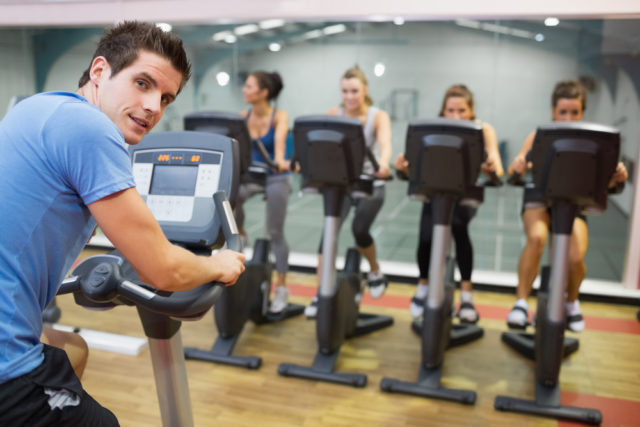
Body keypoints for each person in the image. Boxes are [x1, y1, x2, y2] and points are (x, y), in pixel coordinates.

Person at [0, 21, 245, 426]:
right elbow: (161, 269)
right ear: (99, 72)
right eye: (143, 83)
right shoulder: (90, 128)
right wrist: (219, 264)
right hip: (6, 369)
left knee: (72, 347)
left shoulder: (36, 107)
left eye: (166, 97)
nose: (153, 106)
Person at [506, 80, 628, 332]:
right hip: (539, 198)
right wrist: (517, 167)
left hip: (573, 202)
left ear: (582, 112)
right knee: (537, 238)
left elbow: (607, 183)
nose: (568, 117)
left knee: (575, 257)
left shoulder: (593, 140)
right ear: (553, 111)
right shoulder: (538, 136)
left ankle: (572, 302)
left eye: (574, 112)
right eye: (563, 112)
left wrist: (617, 177)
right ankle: (520, 302)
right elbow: (513, 171)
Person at [394, 84, 504, 323]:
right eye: (451, 110)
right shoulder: (431, 130)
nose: (456, 116)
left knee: (459, 228)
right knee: (425, 236)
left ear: (471, 110)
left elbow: (498, 168)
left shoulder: (483, 130)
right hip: (435, 191)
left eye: (462, 110)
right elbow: (413, 166)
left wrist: (490, 168)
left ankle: (466, 295)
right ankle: (423, 286)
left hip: (465, 193)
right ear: (443, 111)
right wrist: (403, 167)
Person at [305, 65, 392, 318]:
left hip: (370, 182)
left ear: (365, 90)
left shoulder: (378, 116)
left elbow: (385, 144)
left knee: (359, 230)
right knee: (328, 234)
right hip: (342, 183)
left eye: (354, 91)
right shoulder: (335, 112)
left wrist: (384, 163)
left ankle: (375, 270)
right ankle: (322, 292)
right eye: (345, 91)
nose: (349, 96)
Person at [236, 71, 292, 313]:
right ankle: (240, 233)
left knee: (275, 231)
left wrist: (279, 160)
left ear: (263, 93)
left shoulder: (279, 116)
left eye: (248, 87)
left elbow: (279, 146)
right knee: (232, 194)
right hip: (253, 177)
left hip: (276, 175)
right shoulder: (242, 117)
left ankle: (281, 288)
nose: (244, 90)